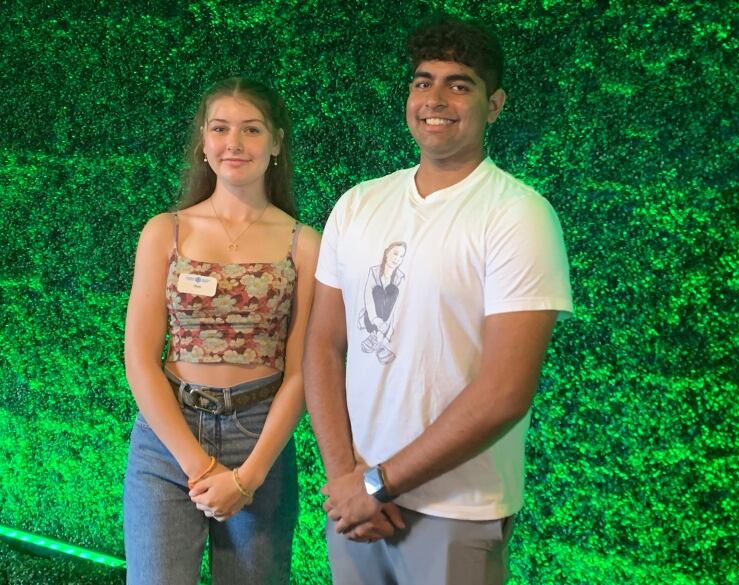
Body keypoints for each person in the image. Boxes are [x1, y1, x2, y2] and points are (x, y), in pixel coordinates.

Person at [303, 15, 573, 585]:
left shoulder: (517, 216)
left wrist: (378, 484)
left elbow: (504, 393)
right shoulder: (357, 204)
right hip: (355, 507)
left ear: (494, 105)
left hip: (456, 511)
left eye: (459, 84)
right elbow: (323, 347)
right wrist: (345, 478)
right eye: (423, 81)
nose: (436, 99)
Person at [123, 77, 319, 585]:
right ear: (203, 142)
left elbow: (303, 370)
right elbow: (140, 358)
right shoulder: (164, 231)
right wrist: (201, 467)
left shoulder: (305, 244)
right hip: (167, 441)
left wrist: (248, 477)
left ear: (276, 143)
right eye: (220, 128)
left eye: (252, 129)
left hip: (260, 439)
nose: (235, 143)